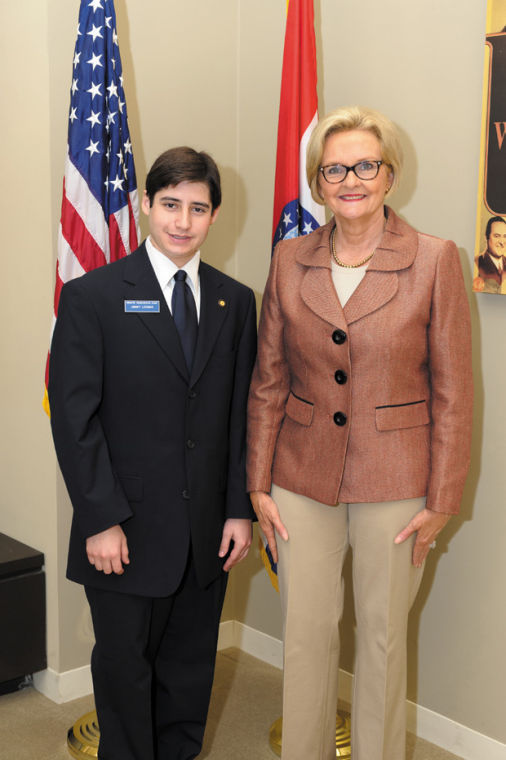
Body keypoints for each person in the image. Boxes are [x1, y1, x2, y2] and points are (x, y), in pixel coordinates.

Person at [247, 106, 473, 760]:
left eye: (365, 165)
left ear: (389, 176)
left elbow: (455, 390)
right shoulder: (290, 260)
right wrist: (258, 485)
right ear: (318, 184)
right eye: (335, 168)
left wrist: (442, 498)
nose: (351, 179)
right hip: (299, 479)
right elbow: (269, 380)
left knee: (380, 638)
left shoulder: (434, 260)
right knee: (305, 636)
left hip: (397, 484)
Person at [49, 146, 257, 760]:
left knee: (189, 676)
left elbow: (241, 417)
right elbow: (74, 420)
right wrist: (101, 519)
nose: (182, 221)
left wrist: (238, 508)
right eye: (170, 204)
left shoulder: (234, 301)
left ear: (215, 215)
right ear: (145, 205)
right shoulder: (95, 295)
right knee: (125, 678)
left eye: (198, 208)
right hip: (124, 530)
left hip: (206, 535)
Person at [475, 215, 506, 293]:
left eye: (505, 236)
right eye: (497, 236)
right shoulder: (477, 263)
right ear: (486, 238)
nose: (502, 242)